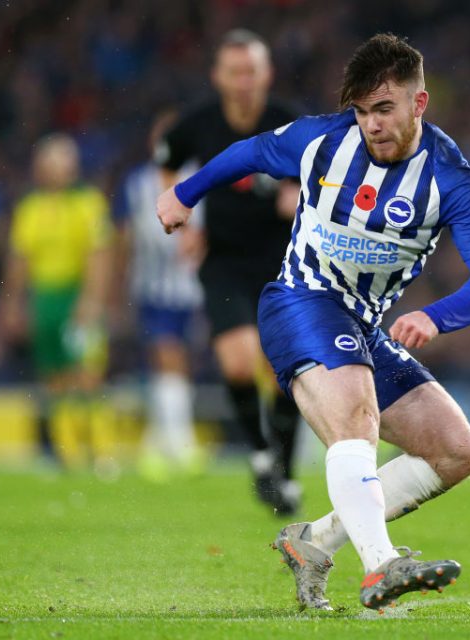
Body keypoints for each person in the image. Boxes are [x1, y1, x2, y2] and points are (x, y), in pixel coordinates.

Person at [157, 33, 470, 611]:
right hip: (300, 301)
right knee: (356, 418)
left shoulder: (449, 177)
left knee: (456, 451)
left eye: (385, 109)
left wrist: (434, 315)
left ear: (418, 105)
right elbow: (249, 152)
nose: (371, 124)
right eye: (362, 111)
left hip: (364, 326)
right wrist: (184, 193)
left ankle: (315, 541)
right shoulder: (322, 139)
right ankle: (381, 566)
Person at [155, 29, 303, 513]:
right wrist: (184, 211)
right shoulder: (199, 121)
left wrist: (299, 194)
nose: (243, 81)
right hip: (222, 259)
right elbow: (166, 159)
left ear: (267, 75)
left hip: (283, 260)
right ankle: (262, 457)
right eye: (234, 72)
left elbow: (329, 175)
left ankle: (283, 466)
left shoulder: (290, 123)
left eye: (252, 71)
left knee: (285, 372)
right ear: (218, 77)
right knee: (239, 362)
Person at [0, 133, 116, 470]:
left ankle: (103, 452)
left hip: (77, 293)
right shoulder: (30, 208)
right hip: (45, 299)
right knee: (54, 377)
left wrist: (92, 300)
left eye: (65, 161)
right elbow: (18, 261)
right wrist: (11, 303)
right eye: (52, 162)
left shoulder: (88, 203)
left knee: (89, 374)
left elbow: (100, 255)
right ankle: (70, 455)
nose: (59, 169)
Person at [120, 110, 206, 481]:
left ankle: (161, 442)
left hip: (198, 290)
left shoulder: (203, 177)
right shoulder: (137, 183)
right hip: (154, 289)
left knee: (177, 366)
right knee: (166, 358)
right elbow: (124, 236)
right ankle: (180, 444)